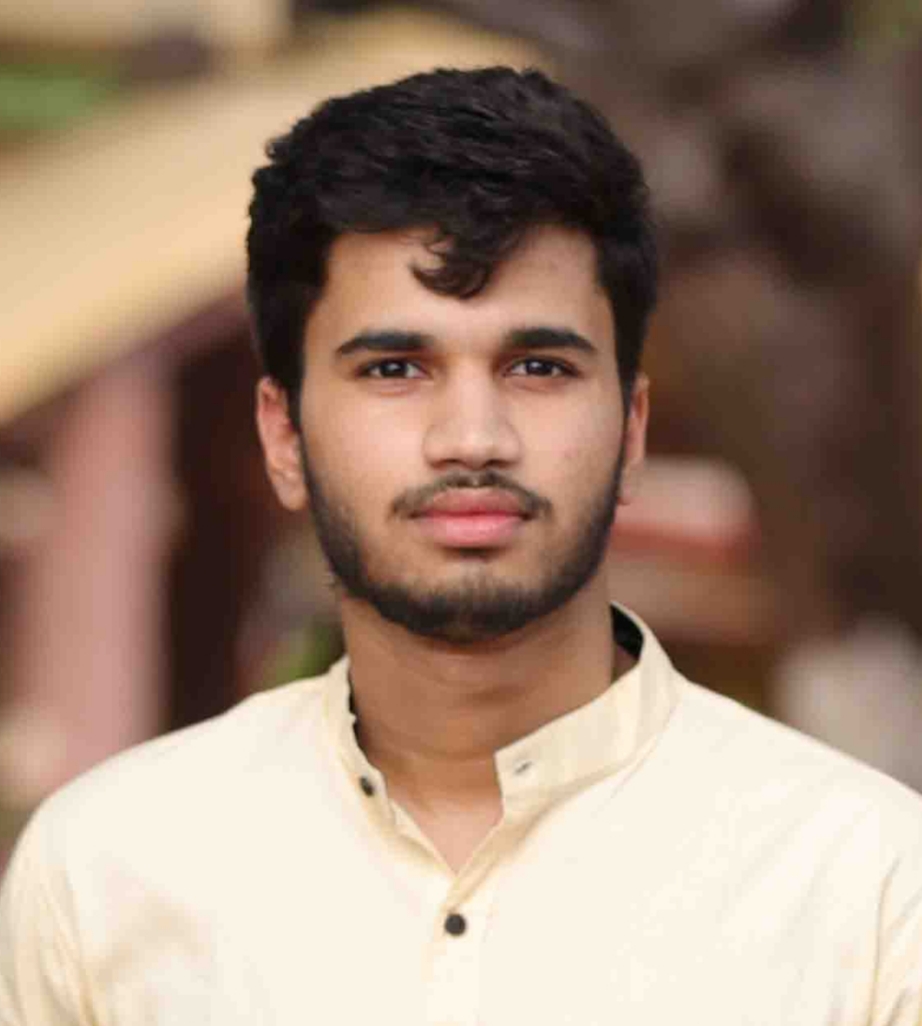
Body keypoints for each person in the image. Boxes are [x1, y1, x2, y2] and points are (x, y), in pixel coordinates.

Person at [2, 66, 921, 1025]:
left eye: (539, 367)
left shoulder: (867, 889)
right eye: (395, 368)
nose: (473, 437)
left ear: (631, 431)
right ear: (284, 438)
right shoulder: (108, 872)